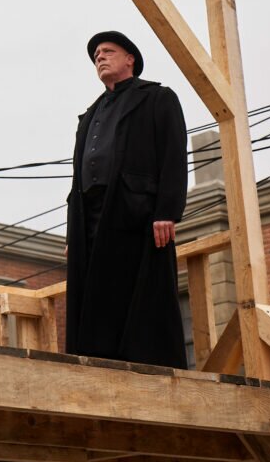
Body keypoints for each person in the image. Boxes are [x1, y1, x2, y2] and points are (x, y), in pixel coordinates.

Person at [65, 30, 188, 368]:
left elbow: (174, 156)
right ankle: (99, 361)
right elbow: (75, 180)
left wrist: (167, 211)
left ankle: (145, 360)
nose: (99, 58)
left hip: (136, 211)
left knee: (138, 288)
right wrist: (72, 232)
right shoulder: (89, 115)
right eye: (95, 56)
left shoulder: (157, 98)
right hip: (90, 214)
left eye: (107, 51)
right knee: (95, 291)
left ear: (129, 58)